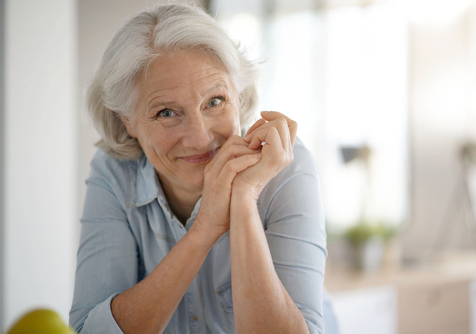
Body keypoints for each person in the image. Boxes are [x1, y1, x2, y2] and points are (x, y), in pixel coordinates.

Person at [70, 3, 336, 334]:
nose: (200, 138)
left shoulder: (284, 165)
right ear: (128, 122)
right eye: (167, 112)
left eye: (214, 102)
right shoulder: (114, 173)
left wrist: (244, 200)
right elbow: (87, 330)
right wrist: (205, 227)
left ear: (237, 97)